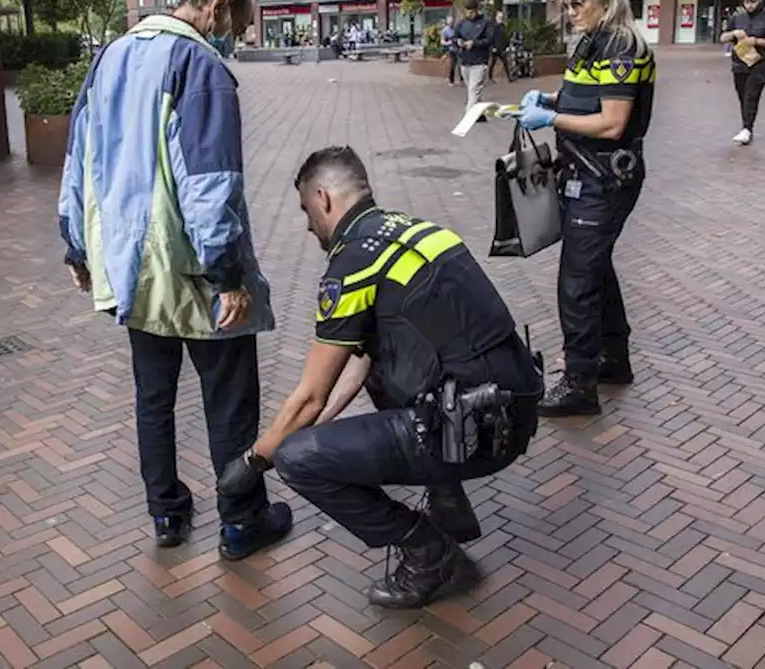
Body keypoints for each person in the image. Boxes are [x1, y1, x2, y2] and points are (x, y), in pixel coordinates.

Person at [215, 146, 542, 609]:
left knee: (298, 459)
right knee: (379, 381)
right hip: (509, 410)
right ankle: (449, 500)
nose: (309, 227)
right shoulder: (415, 232)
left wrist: (254, 461)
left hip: (478, 432)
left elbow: (309, 396)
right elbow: (363, 360)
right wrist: (319, 422)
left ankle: (428, 553)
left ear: (324, 199)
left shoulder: (353, 261)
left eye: (307, 211)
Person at [58, 0, 291, 560]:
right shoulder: (202, 67)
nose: (238, 33)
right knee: (230, 401)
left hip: (130, 266)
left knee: (153, 398)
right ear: (217, 8)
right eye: (239, 21)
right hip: (190, 268)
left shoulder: (109, 57)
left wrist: (77, 245)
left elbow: (79, 158)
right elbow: (211, 185)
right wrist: (228, 273)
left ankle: (166, 514)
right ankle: (242, 521)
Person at [509, 0, 654, 417]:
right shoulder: (595, 41)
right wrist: (551, 97)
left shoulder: (623, 47)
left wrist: (551, 116)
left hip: (603, 179)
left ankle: (579, 383)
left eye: (576, 3)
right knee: (595, 269)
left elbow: (612, 124)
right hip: (586, 174)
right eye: (565, 3)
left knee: (577, 279)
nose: (568, 13)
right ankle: (613, 359)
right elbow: (585, 97)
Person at [719, 0, 765, 145]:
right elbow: (723, 37)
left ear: (759, 0)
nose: (750, 6)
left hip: (761, 62)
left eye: (753, 2)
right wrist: (734, 34)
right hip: (740, 62)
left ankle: (747, 128)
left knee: (751, 94)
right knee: (742, 94)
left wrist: (756, 41)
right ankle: (746, 126)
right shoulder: (736, 17)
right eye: (747, 2)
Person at [453, 0, 493, 118]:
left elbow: (489, 40)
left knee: (473, 90)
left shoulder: (486, 23)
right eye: (467, 12)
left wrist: (474, 43)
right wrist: (458, 41)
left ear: (477, 10)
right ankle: (480, 115)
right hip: (465, 62)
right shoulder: (461, 23)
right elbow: (455, 37)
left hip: (479, 62)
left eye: (471, 12)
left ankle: (468, 117)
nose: (469, 14)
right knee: (473, 91)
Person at [487, 10, 513, 84]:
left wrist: (507, 46)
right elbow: (491, 38)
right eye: (499, 17)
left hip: (502, 48)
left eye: (501, 17)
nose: (501, 18)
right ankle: (489, 77)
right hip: (495, 48)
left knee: (505, 62)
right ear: (496, 17)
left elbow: (506, 37)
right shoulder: (494, 27)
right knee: (492, 63)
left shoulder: (503, 26)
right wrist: (493, 47)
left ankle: (509, 77)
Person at [440, 16, 461, 85]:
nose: (451, 24)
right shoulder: (445, 30)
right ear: (447, 22)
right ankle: (451, 80)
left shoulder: (456, 29)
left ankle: (462, 79)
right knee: (453, 65)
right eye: (450, 22)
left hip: (458, 49)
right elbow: (442, 41)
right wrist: (447, 43)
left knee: (461, 64)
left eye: (452, 22)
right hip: (451, 49)